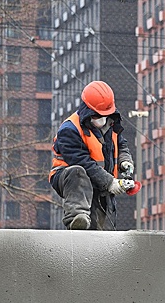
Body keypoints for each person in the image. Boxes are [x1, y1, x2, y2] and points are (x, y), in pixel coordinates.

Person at [49, 81, 135, 230]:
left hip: (100, 183)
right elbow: (83, 163)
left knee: (103, 229)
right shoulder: (69, 130)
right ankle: (76, 216)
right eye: (97, 116)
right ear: (88, 111)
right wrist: (110, 182)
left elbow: (121, 144)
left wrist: (125, 161)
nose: (102, 120)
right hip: (69, 178)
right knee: (78, 172)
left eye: (105, 116)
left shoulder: (112, 124)